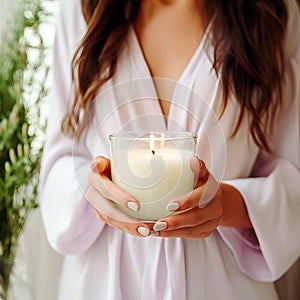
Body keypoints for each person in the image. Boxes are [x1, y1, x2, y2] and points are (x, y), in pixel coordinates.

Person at [39, 0, 300, 299]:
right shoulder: (84, 10)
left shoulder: (274, 14)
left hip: (219, 284)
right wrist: (91, 190)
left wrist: (225, 206)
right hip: (103, 282)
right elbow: (58, 157)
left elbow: (294, 180)